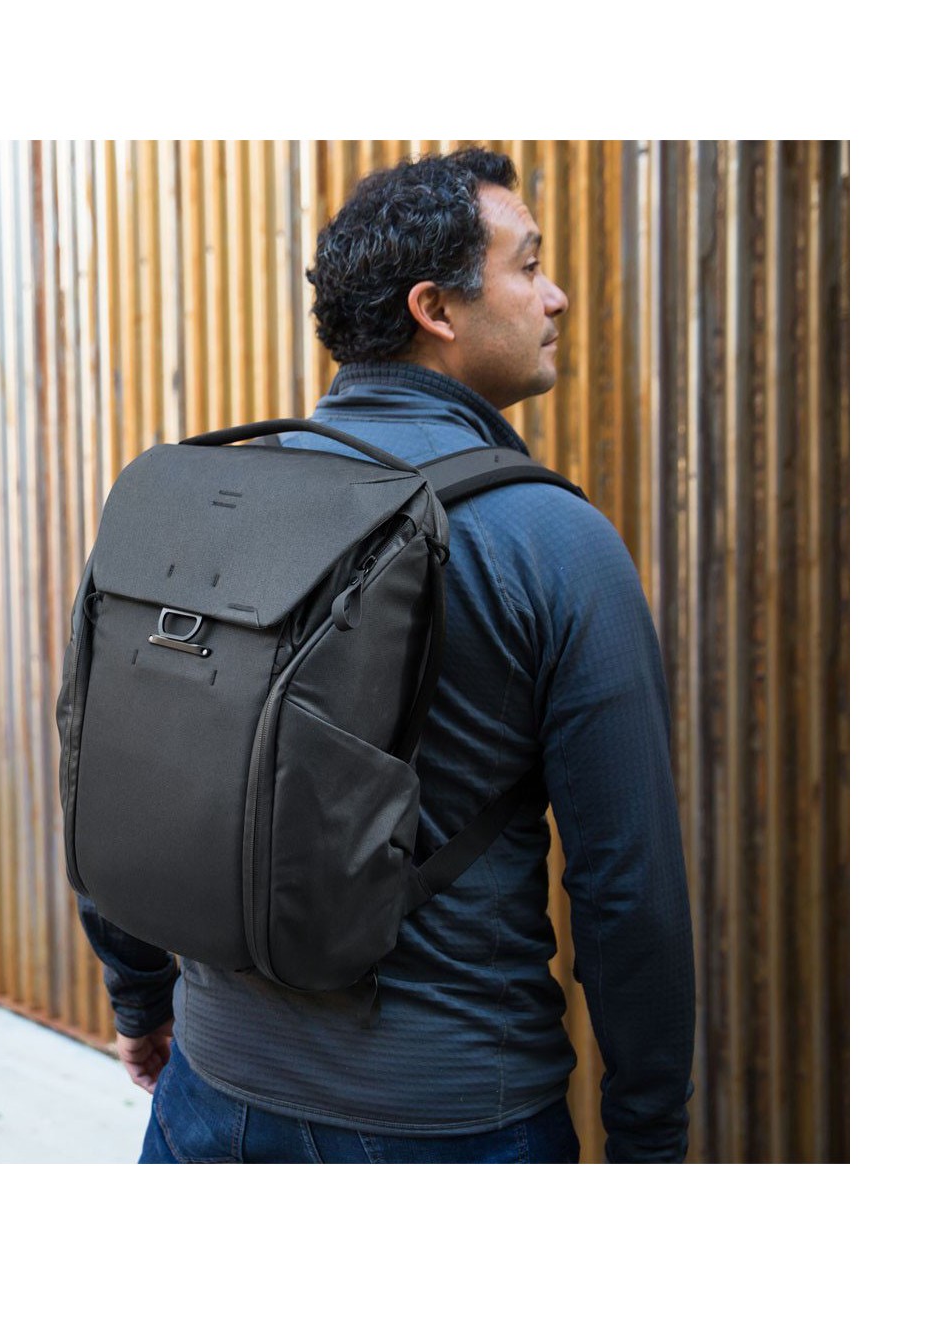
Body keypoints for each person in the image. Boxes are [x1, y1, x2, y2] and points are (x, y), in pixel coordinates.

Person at [76, 147, 696, 1164]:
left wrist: (140, 996)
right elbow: (627, 890)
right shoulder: (553, 541)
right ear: (434, 309)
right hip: (449, 1118)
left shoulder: (207, 504)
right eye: (528, 265)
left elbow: (123, 765)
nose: (556, 296)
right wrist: (650, 1139)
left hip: (207, 1094)